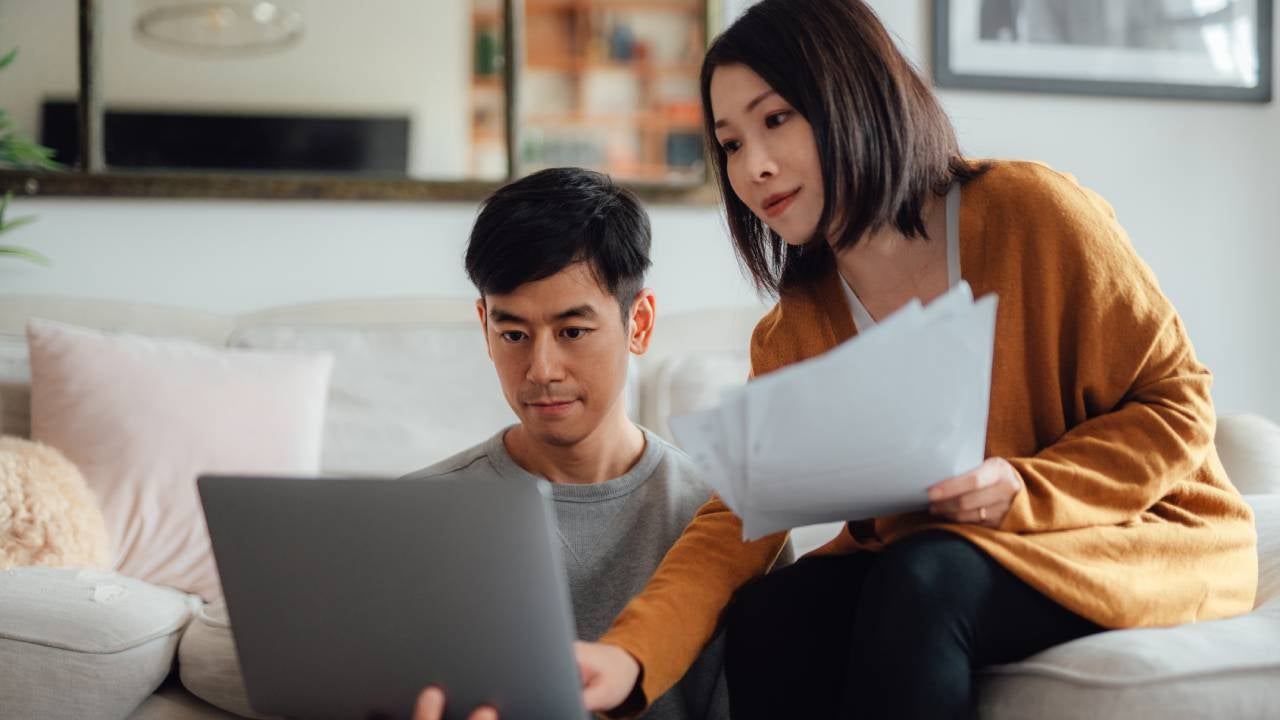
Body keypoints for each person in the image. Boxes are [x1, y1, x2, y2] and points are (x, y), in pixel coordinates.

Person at [519, 1, 1257, 718]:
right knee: (775, 612)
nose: (756, 167)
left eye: (776, 120)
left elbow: (1178, 405)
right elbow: (742, 519)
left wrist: (1024, 486)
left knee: (924, 577)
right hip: (957, 554)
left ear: (853, 97)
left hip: (1134, 535)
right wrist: (630, 655)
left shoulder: (1038, 214)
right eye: (732, 143)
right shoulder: (794, 325)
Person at [406, 167, 735, 720]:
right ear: (484, 325)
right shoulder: (415, 514)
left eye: (572, 331)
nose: (541, 369)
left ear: (640, 323)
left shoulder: (721, 518)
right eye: (513, 334)